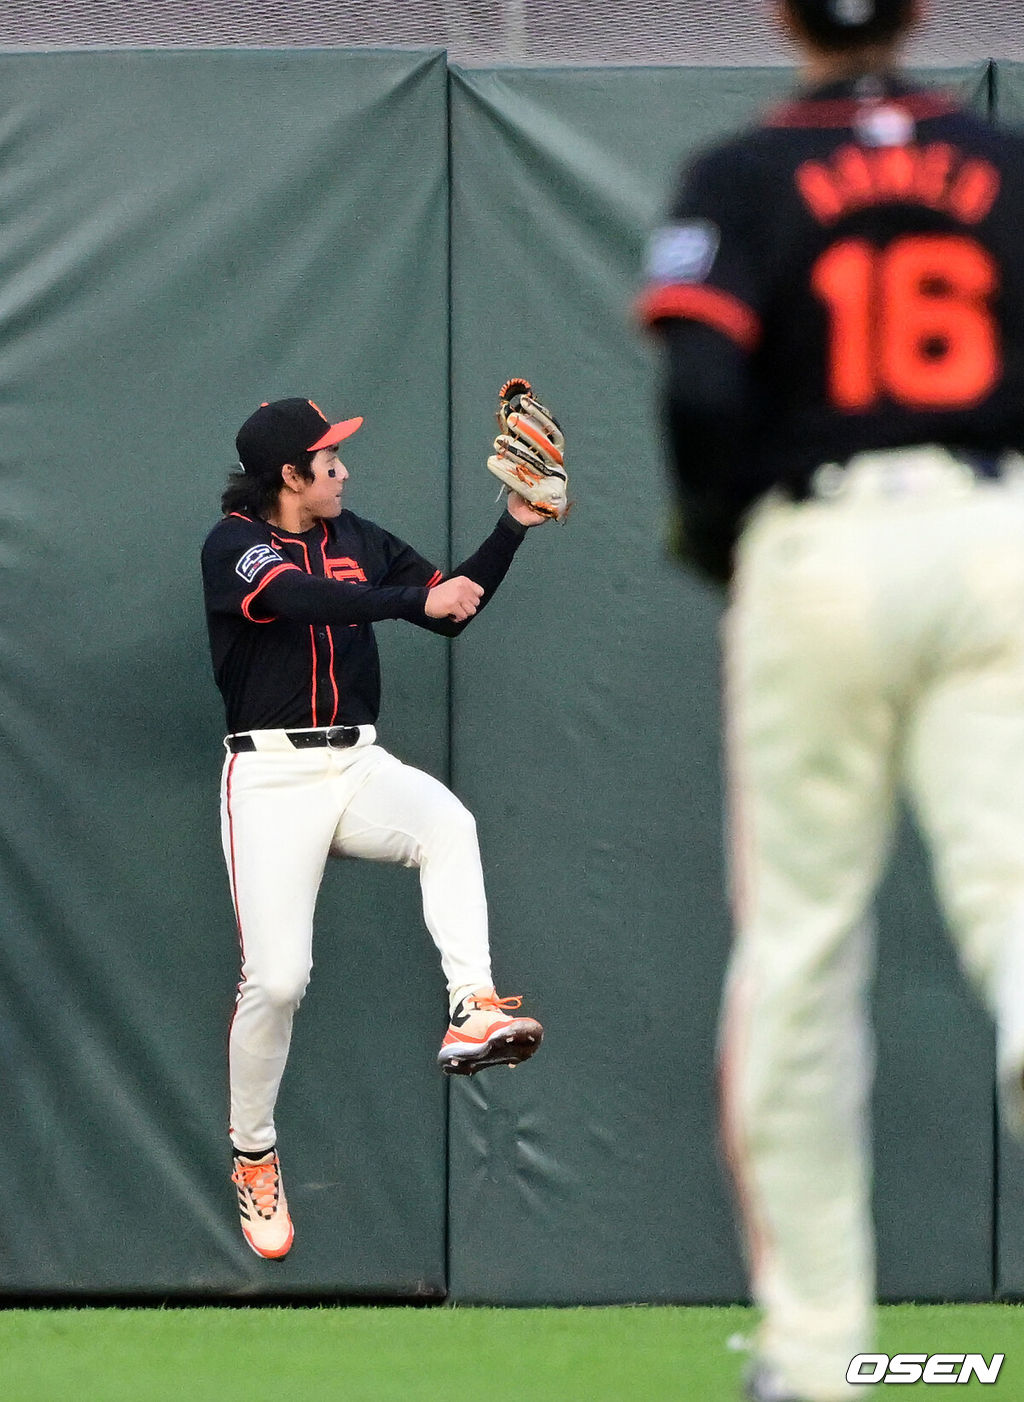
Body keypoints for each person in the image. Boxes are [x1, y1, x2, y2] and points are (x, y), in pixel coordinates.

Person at [640, 2, 1024, 1398]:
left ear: (783, 16)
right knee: (1018, 901)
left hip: (822, 539)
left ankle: (812, 1356)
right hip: (997, 535)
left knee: (802, 956)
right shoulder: (1001, 162)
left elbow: (697, 383)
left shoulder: (742, 173)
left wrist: (728, 530)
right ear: (921, 13)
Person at [201, 396, 548, 1260]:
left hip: (355, 761)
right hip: (271, 774)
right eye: (327, 458)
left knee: (448, 823)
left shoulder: (359, 536)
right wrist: (404, 603)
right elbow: (301, 600)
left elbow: (450, 605)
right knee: (278, 981)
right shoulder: (234, 545)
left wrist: (511, 527)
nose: (342, 469)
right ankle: (253, 1152)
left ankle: (472, 1006)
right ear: (288, 475)